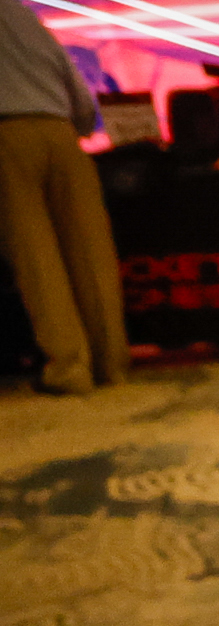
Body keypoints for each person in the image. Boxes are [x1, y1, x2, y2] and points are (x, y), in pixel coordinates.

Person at [0, 0, 124, 395]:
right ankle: (112, 362)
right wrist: (81, 127)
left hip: (6, 135)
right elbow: (67, 72)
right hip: (60, 130)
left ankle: (70, 366)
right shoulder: (19, 12)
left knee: (37, 255)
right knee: (90, 251)